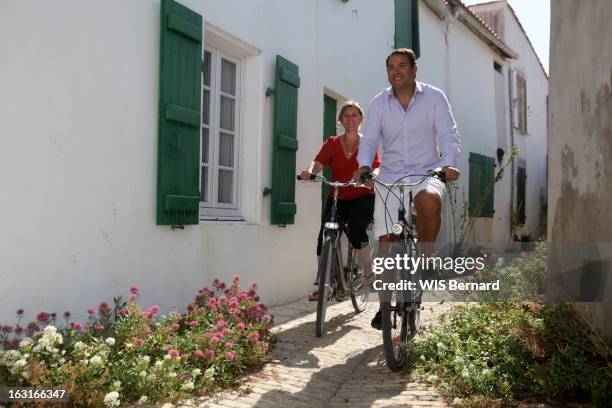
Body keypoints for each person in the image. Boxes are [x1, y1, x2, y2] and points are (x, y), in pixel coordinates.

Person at [353, 48, 461, 329]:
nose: (396, 71)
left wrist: (449, 164)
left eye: (402, 65)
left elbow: (448, 134)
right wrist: (364, 166)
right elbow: (369, 140)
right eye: (390, 66)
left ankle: (425, 259)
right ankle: (385, 305)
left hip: (427, 171)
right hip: (389, 175)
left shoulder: (434, 97)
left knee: (428, 201)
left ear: (415, 70)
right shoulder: (379, 103)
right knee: (387, 240)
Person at [300, 101, 381, 300]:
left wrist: (371, 176)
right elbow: (318, 162)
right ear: (340, 120)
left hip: (362, 194)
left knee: (355, 229)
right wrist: (310, 172)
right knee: (324, 236)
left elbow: (377, 166)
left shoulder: (368, 143)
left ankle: (369, 271)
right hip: (338, 195)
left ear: (361, 119)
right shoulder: (333, 142)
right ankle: (324, 284)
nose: (350, 119)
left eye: (355, 115)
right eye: (346, 115)